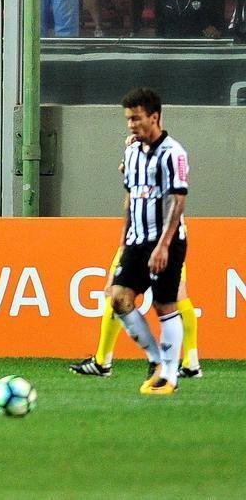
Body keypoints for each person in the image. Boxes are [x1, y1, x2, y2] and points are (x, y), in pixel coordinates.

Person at [105, 88, 192, 395]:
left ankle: (170, 376)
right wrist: (123, 245)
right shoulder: (131, 153)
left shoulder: (173, 153)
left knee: (164, 304)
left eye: (136, 118)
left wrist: (164, 245)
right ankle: (157, 361)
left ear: (154, 117)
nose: (131, 125)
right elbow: (131, 200)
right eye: (128, 119)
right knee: (118, 299)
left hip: (164, 241)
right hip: (136, 240)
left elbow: (176, 201)